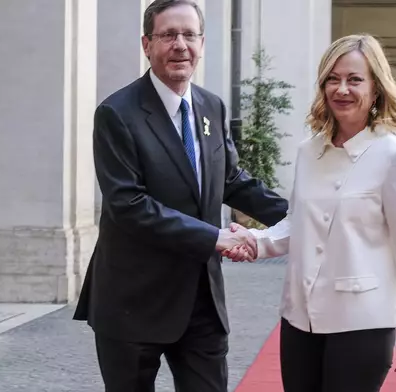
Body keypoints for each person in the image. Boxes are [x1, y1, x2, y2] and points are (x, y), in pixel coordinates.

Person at [73, 1, 288, 391]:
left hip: (201, 300)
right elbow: (128, 205)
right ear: (147, 44)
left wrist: (304, 215)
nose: (180, 45)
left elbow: (232, 181)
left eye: (189, 35)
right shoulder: (116, 113)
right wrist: (215, 237)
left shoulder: (212, 106)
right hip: (133, 301)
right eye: (168, 35)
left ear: (202, 43)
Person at [225, 34, 396, 391]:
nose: (342, 89)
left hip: (363, 323)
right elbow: (300, 221)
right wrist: (257, 242)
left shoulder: (393, 156)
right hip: (299, 317)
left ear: (376, 89)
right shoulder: (310, 151)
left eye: (355, 80)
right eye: (333, 79)